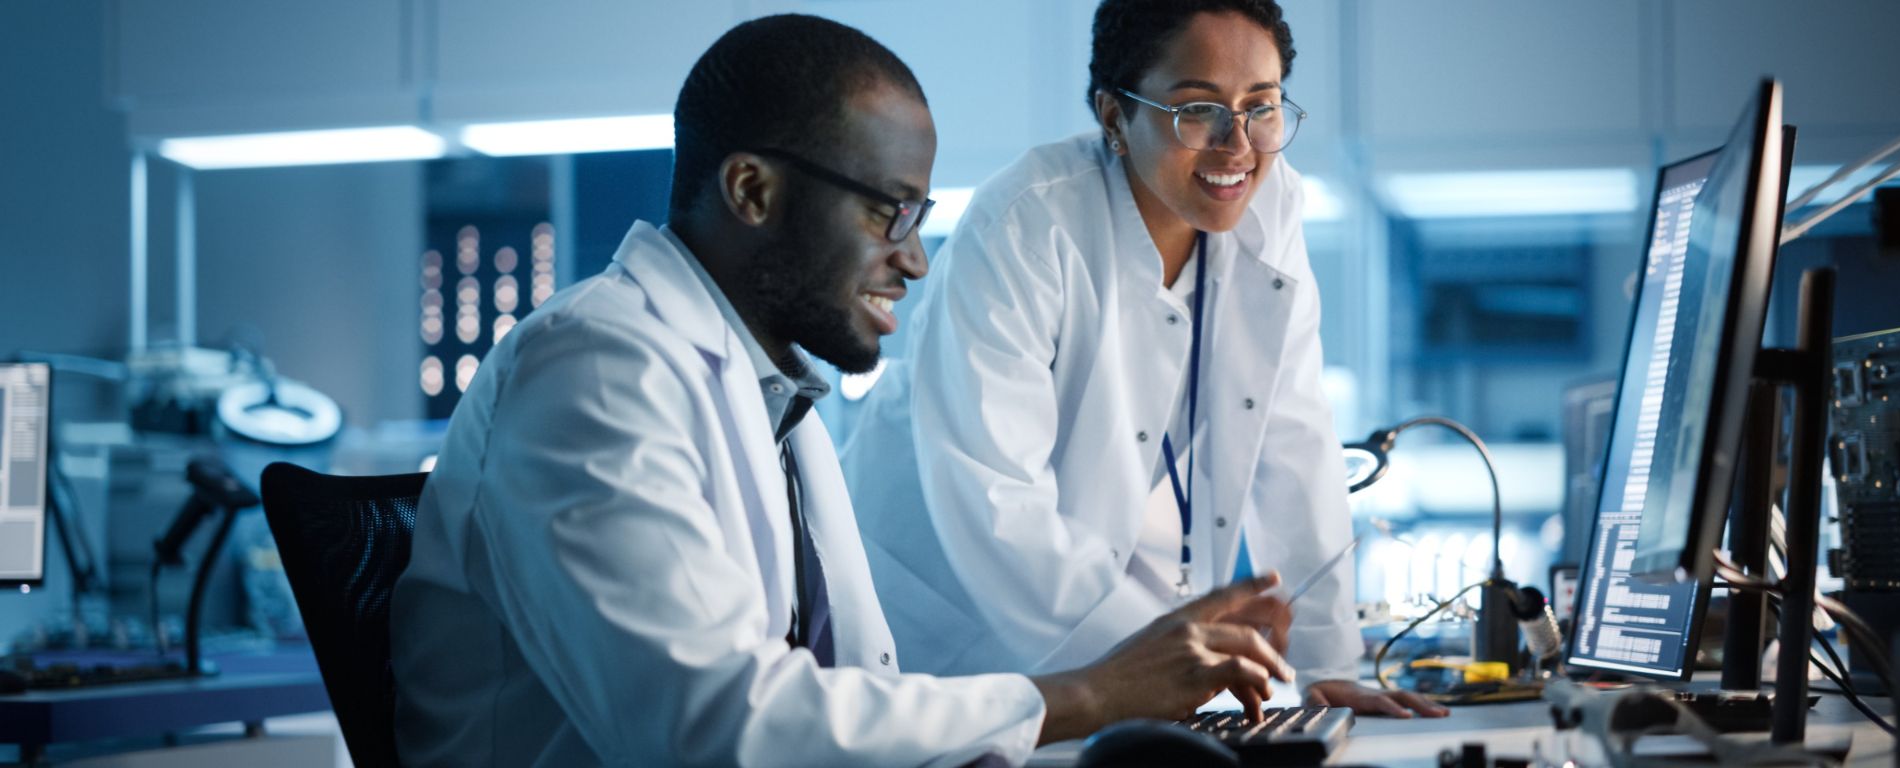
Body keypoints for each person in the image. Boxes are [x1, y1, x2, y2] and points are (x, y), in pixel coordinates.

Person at [391, 13, 1299, 767]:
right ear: (751, 188)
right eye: (886, 211)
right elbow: (711, 727)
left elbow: (853, 688)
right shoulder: (594, 369)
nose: (912, 260)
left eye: (921, 218)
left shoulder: (769, 396)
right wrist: (1091, 692)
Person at [840, 0, 1447, 718]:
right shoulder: (1025, 226)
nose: (1237, 146)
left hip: (1107, 652)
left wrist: (1327, 662)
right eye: (1198, 110)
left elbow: (1295, 439)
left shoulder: (1269, 205)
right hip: (938, 634)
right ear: (1112, 118)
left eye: (1263, 107)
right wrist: (1165, 653)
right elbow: (994, 502)